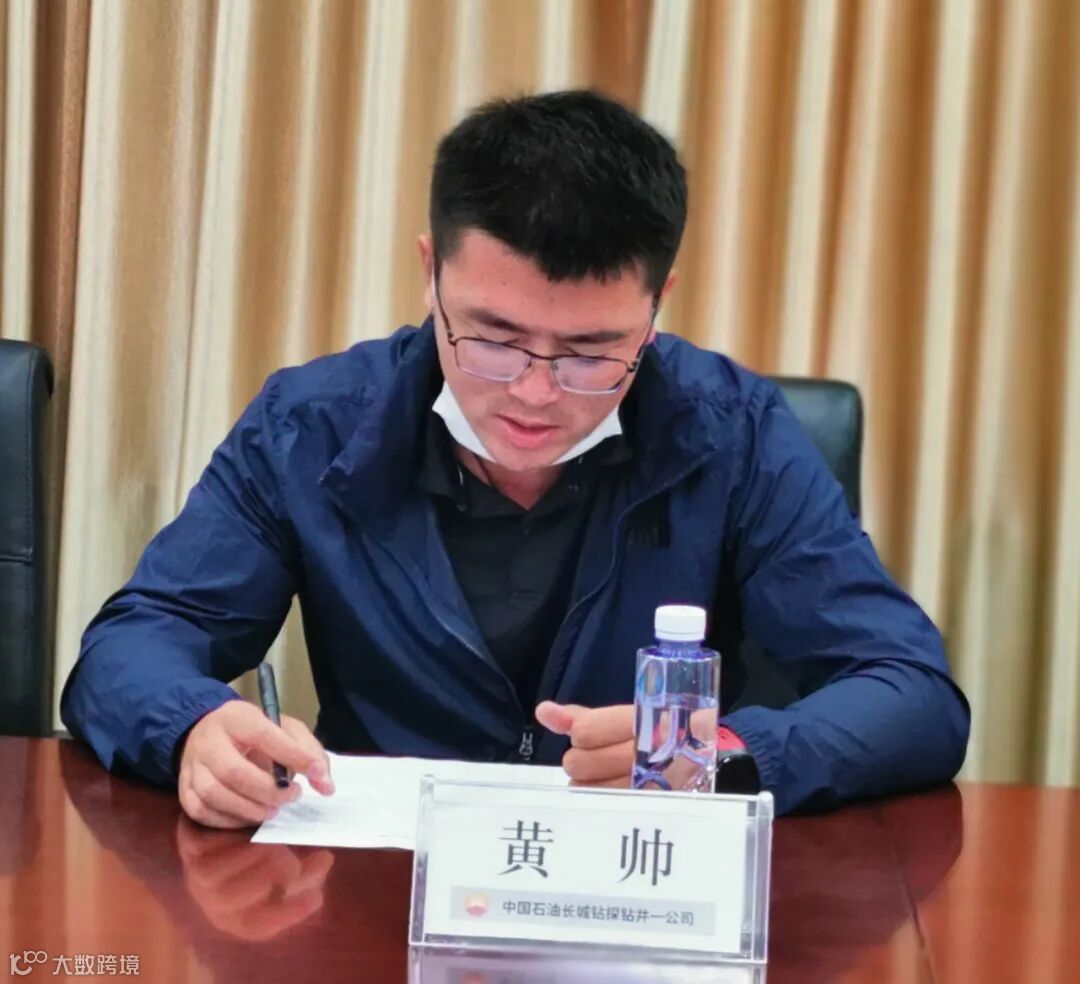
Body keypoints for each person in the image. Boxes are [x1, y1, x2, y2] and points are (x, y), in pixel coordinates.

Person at [61, 89, 969, 828]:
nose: (535, 393)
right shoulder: (312, 426)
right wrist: (194, 727)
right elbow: (132, 646)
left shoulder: (734, 432)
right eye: (493, 340)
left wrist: (724, 755)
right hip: (377, 889)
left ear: (657, 306)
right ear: (431, 272)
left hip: (637, 886)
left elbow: (912, 694)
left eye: (590, 353)